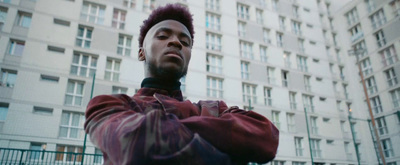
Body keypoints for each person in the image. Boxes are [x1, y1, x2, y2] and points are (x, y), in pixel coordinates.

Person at [84, 4, 279, 165]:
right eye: (163, 36)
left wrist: (167, 132)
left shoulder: (214, 107)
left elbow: (265, 136)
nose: (176, 42)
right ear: (141, 52)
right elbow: (138, 147)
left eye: (185, 42)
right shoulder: (108, 105)